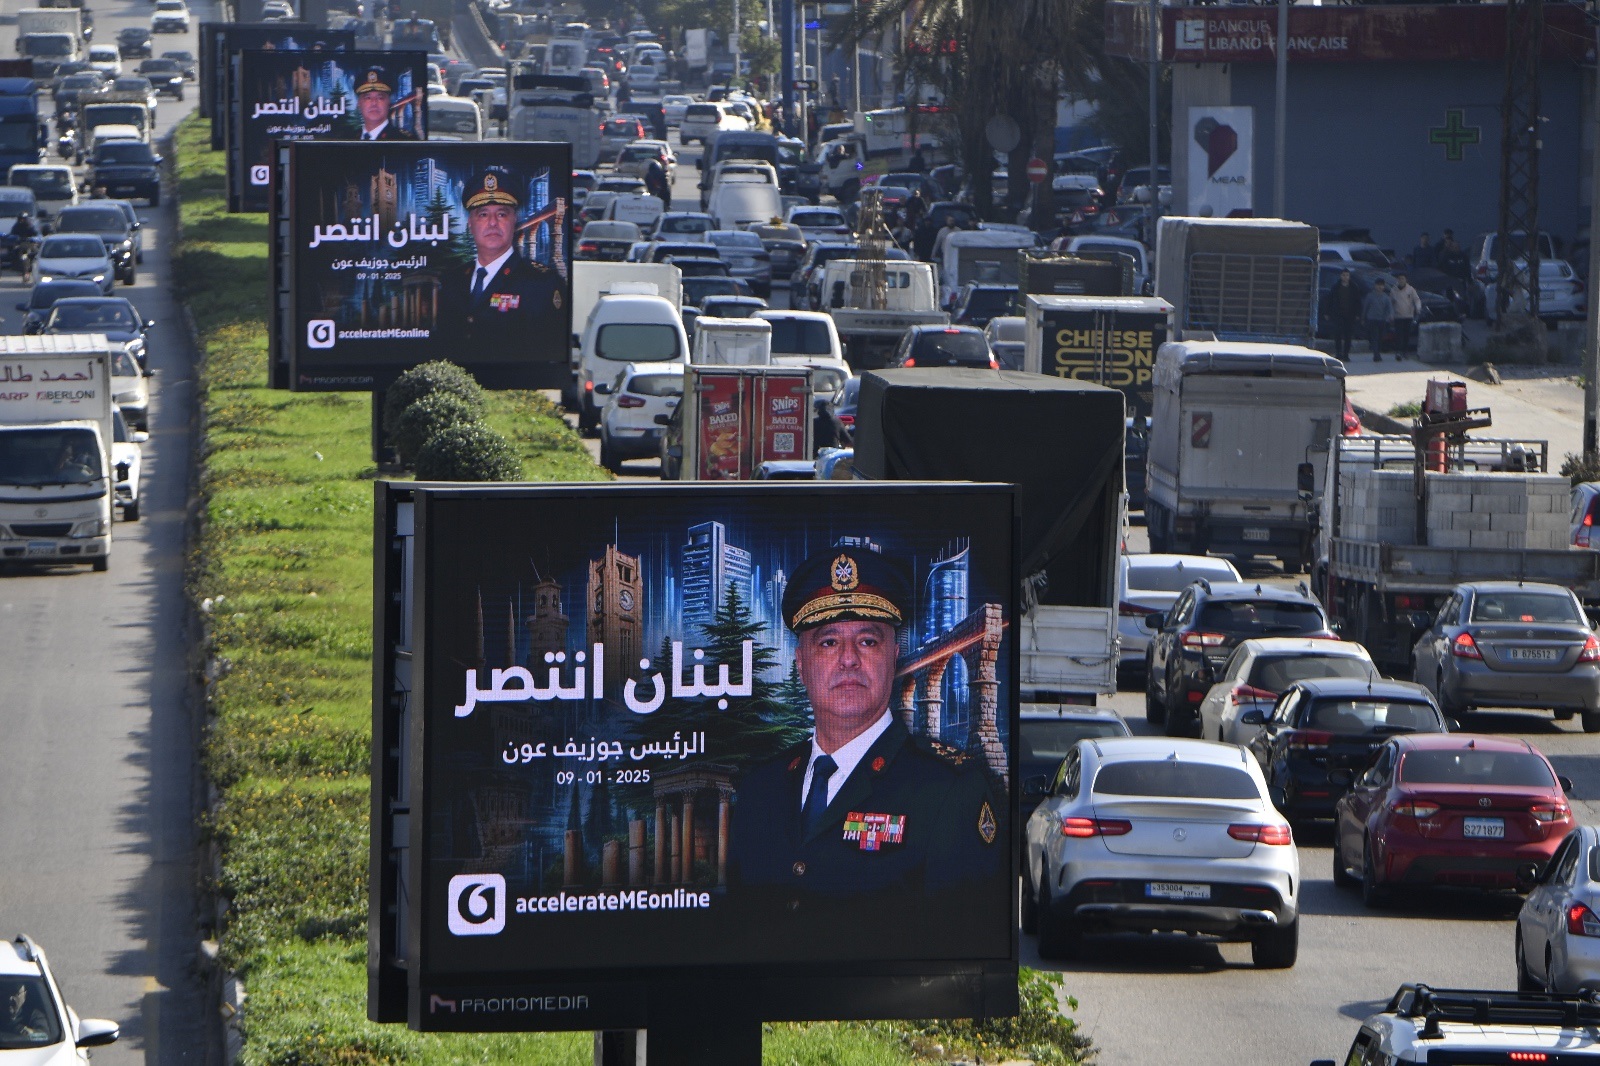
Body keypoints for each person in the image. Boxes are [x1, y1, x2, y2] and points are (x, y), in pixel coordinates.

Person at [726, 547, 1004, 936]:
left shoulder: (951, 791)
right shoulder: (761, 789)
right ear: (801, 664)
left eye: (868, 641)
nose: (849, 659)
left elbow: (965, 948)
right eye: (828, 642)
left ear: (894, 656)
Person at [440, 166, 562, 350]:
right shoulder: (452, 280)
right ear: (470, 224)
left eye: (501, 214)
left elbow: (548, 352)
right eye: (483, 214)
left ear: (514, 220)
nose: (492, 223)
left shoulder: (541, 283)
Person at [354, 66, 416, 140]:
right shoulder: (350, 138)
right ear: (359, 103)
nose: (374, 103)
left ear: (389, 102)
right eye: (368, 98)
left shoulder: (403, 140)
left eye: (380, 98)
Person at [1323, 268, 1360, 362]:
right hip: (1338, 314)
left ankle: (1346, 354)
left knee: (1348, 336)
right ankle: (1338, 353)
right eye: (1343, 275)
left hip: (1350, 315)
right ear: (1340, 276)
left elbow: (1358, 302)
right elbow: (1330, 300)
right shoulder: (1336, 287)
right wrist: (1327, 312)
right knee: (1338, 334)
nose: (1345, 277)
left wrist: (1357, 314)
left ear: (1349, 276)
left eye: (1347, 275)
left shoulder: (1354, 287)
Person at [1389, 272, 1421, 359]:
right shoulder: (1393, 290)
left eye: (1403, 278)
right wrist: (1391, 314)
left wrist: (1418, 308)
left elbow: (1417, 300)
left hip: (1408, 315)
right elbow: (1390, 303)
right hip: (1398, 316)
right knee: (1399, 334)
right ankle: (1398, 351)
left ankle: (1405, 351)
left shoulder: (1411, 289)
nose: (1401, 280)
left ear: (1406, 280)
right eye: (1399, 279)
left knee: (1406, 334)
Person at [1362, 276, 1394, 362]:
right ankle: (1376, 354)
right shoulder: (1370, 296)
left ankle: (1378, 352)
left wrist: (1390, 316)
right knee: (1374, 337)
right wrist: (1363, 318)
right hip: (1372, 319)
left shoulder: (1386, 297)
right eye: (1378, 285)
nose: (1380, 287)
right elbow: (1365, 307)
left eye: (1382, 285)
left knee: (1380, 337)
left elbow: (1389, 308)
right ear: (1375, 286)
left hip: (1382, 320)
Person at [9, 210, 37, 281]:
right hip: (20, 245)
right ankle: (22, 270)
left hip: (30, 244)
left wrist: (32, 239)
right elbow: (12, 234)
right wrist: (15, 239)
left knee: (36, 254)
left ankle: (32, 268)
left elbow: (36, 234)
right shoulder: (16, 226)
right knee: (16, 254)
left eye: (23, 219)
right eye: (20, 219)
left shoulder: (30, 226)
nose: (21, 220)